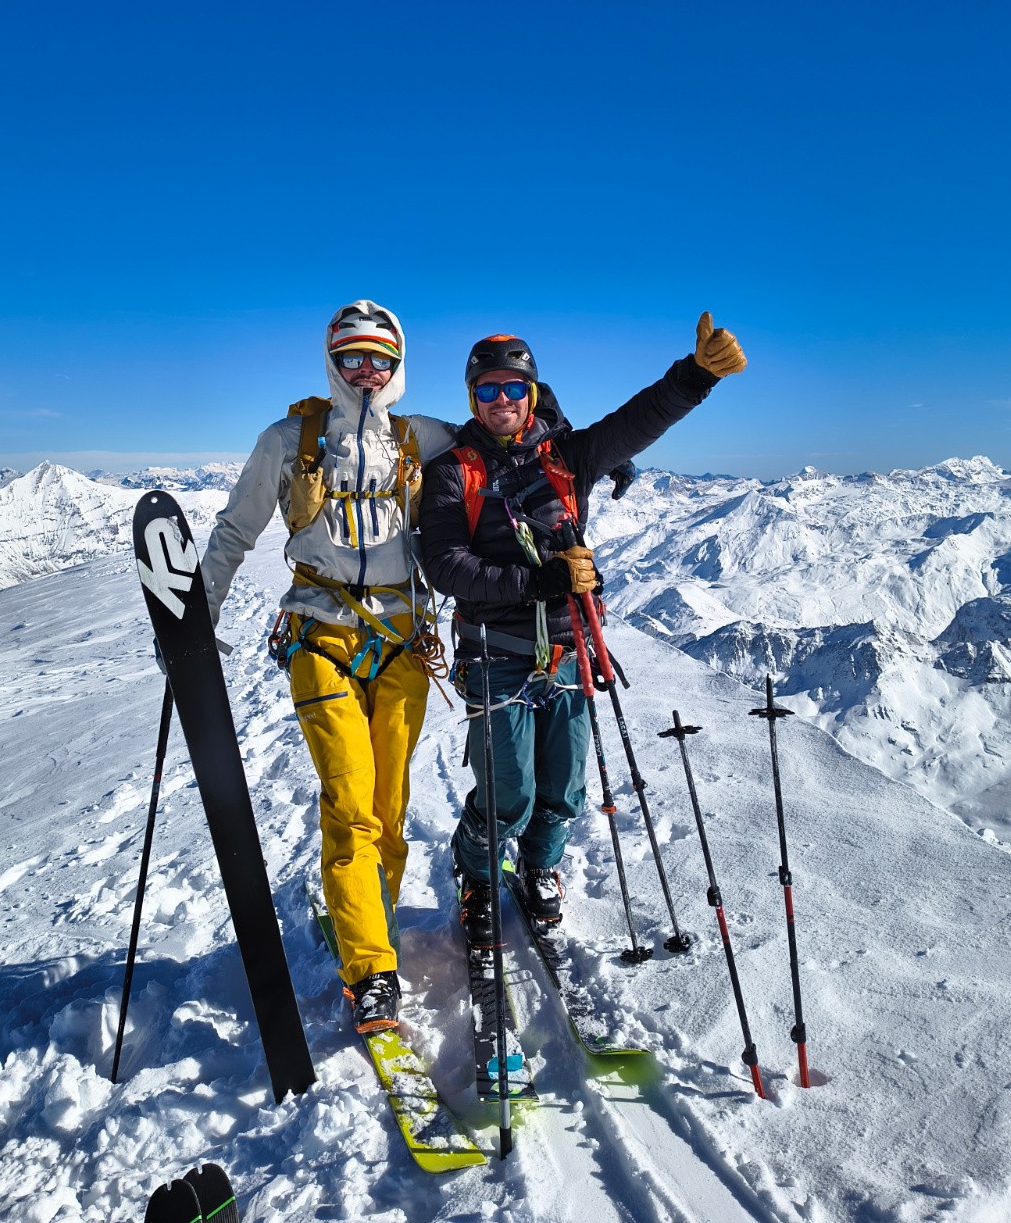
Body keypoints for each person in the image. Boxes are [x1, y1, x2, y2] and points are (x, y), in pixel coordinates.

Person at [419, 312, 746, 942]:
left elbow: (635, 423)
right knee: (508, 789)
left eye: (514, 388)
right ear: (472, 399)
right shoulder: (453, 471)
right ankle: (479, 877)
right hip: (496, 653)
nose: (502, 401)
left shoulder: (567, 457)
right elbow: (444, 565)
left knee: (564, 783)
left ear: (532, 394)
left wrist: (695, 376)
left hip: (569, 649)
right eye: (488, 390)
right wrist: (535, 583)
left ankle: (540, 868)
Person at [200, 301, 455, 1033]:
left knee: (391, 809)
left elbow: (509, 444)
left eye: (379, 358)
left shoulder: (423, 437)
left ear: (398, 364)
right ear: (331, 364)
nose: (366, 371)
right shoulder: (289, 440)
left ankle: (365, 917)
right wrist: (197, 619)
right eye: (351, 358)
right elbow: (235, 530)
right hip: (320, 638)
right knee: (351, 804)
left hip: (402, 641)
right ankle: (371, 970)